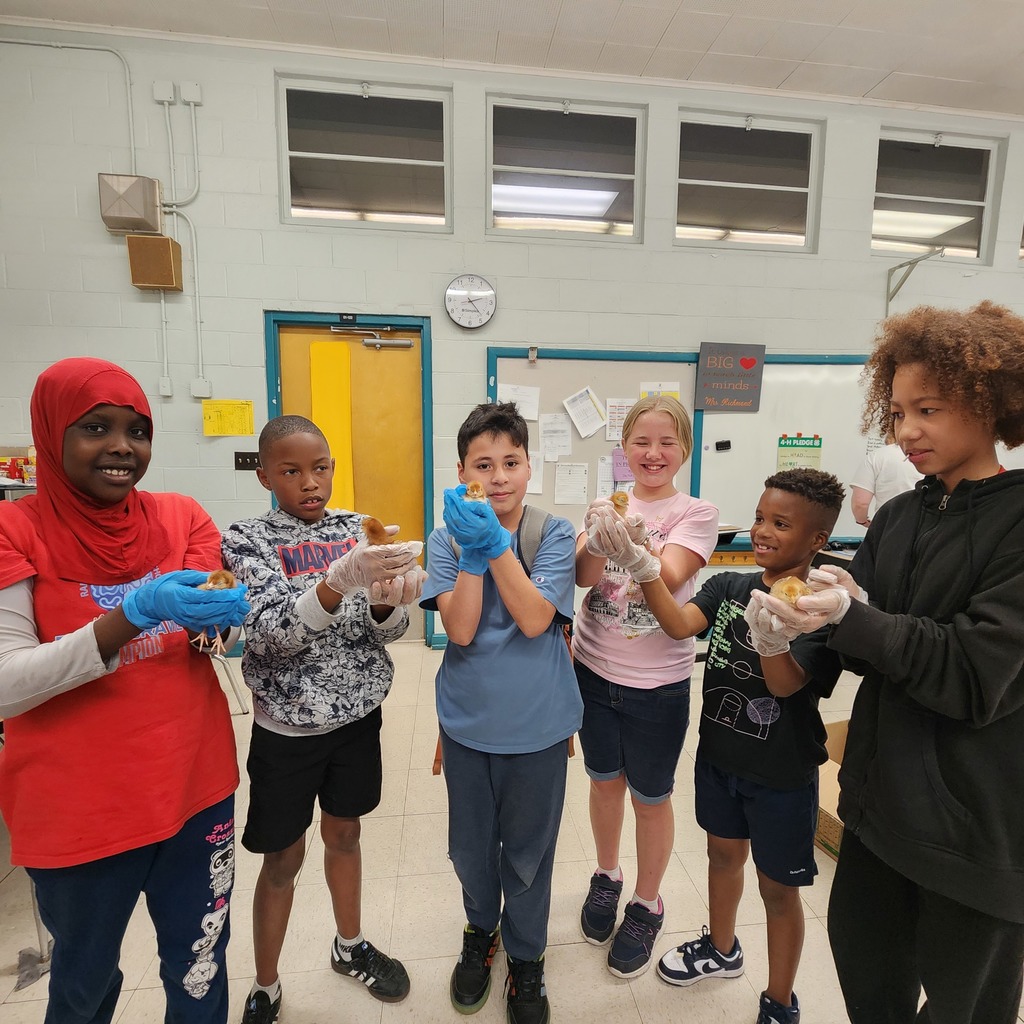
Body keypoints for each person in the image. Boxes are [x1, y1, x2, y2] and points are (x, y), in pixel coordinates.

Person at [755, 301, 1024, 1024]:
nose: (906, 431)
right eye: (898, 411)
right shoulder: (901, 518)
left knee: (969, 1008)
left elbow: (973, 675)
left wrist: (859, 617)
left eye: (928, 409)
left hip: (973, 841)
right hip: (877, 820)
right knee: (872, 993)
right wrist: (802, 622)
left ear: (992, 400)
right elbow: (864, 644)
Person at [0, 357, 251, 1024]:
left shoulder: (180, 517)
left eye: (137, 430)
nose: (121, 446)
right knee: (82, 987)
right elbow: (7, 686)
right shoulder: (14, 531)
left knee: (199, 968)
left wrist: (223, 626)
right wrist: (128, 616)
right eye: (95, 427)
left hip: (194, 789)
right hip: (80, 813)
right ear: (51, 434)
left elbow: (212, 621)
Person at [610, 467, 845, 1024]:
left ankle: (781, 999)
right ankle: (721, 949)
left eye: (781, 523)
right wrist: (647, 568)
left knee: (776, 889)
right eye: (760, 517)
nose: (762, 531)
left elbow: (786, 684)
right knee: (722, 856)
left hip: (782, 776)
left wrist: (773, 638)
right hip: (719, 759)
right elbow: (677, 625)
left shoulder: (822, 609)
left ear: (817, 539)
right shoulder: (729, 587)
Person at [221, 414, 425, 1024]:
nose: (310, 483)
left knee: (346, 834)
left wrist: (389, 601)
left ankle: (350, 945)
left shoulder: (355, 529)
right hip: (288, 729)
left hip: (358, 718)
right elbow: (265, 635)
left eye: (321, 468)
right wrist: (335, 585)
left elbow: (381, 633)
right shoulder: (246, 540)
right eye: (291, 471)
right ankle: (265, 983)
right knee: (282, 859)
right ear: (264, 476)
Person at [419, 401, 582, 1024]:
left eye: (511, 462)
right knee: (470, 847)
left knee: (530, 852)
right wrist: (469, 549)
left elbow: (537, 618)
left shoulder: (553, 534)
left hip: (538, 727)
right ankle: (480, 929)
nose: (500, 476)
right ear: (463, 471)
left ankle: (528, 956)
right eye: (483, 464)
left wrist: (496, 546)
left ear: (528, 466)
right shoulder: (443, 538)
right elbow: (459, 631)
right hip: (467, 725)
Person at [572, 394, 719, 979]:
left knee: (650, 798)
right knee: (604, 782)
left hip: (656, 683)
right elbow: (583, 578)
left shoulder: (697, 512)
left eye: (666, 442)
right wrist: (594, 535)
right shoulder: (607, 503)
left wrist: (633, 547)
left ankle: (647, 901)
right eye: (641, 441)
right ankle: (608, 875)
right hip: (592, 667)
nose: (653, 453)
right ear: (624, 448)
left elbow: (676, 575)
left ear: (684, 448)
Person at [848, 438, 919, 527]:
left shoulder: (875, 456)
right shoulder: (926, 458)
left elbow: (860, 503)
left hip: (886, 525)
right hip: (922, 526)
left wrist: (863, 522)